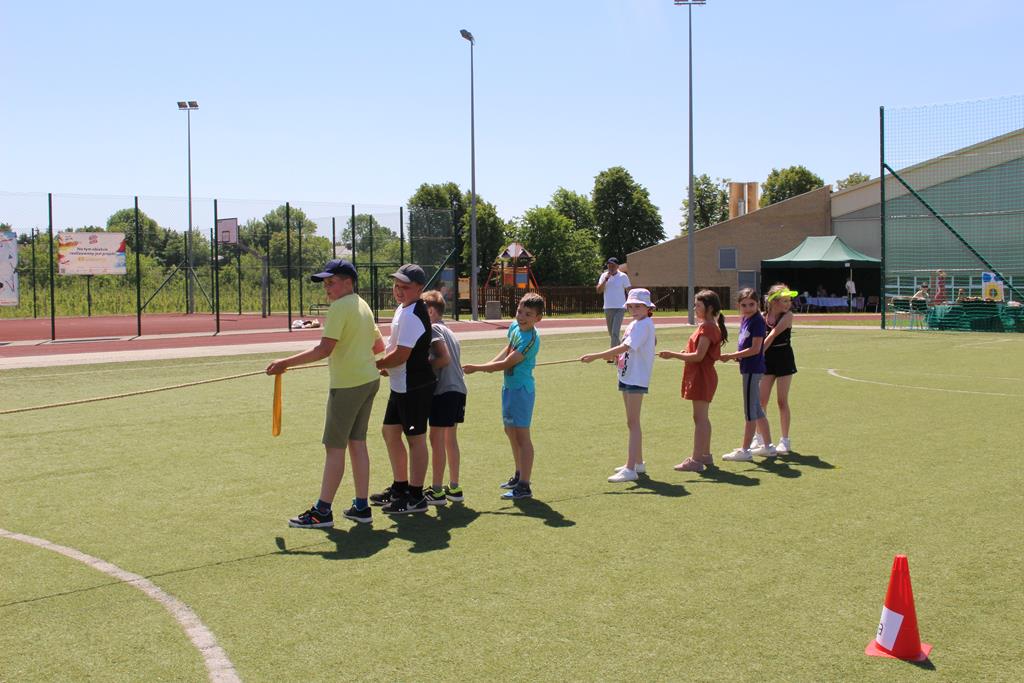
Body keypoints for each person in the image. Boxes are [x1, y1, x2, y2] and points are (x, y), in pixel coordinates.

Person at [266, 259, 385, 528]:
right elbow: (379, 347)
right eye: (325, 284)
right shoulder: (362, 305)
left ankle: (322, 511)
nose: (327, 288)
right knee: (357, 443)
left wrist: (284, 363)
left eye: (331, 282)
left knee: (334, 448)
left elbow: (324, 349)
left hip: (348, 386)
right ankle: (361, 507)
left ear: (348, 282)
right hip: (368, 380)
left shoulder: (340, 307)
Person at [463, 292, 544, 500]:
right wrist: (490, 364)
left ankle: (524, 485)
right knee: (510, 431)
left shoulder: (531, 339)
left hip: (521, 391)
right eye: (520, 311)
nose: (521, 317)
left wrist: (480, 368)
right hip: (508, 388)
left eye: (528, 314)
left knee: (522, 437)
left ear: (538, 318)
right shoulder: (515, 327)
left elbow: (509, 362)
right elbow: (508, 349)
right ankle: (519, 474)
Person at [370, 264, 436, 515]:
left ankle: (416, 497)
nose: (398, 290)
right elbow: (396, 349)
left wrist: (376, 365)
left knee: (415, 440)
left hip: (414, 387)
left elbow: (401, 354)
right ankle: (400, 488)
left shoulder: (412, 314)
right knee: (389, 432)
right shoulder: (403, 309)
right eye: (396, 285)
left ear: (419, 288)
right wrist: (387, 366)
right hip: (401, 385)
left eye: (405, 287)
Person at [580, 288, 658, 483]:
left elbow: (626, 346)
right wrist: (617, 356)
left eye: (638, 306)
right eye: (631, 306)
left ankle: (630, 469)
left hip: (636, 377)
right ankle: (637, 463)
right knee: (631, 422)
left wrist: (597, 356)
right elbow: (627, 348)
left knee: (633, 422)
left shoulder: (644, 325)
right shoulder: (635, 324)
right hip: (627, 375)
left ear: (648, 308)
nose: (634, 310)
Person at [658, 289, 727, 473]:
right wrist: (684, 353)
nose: (695, 308)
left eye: (698, 305)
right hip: (701, 375)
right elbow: (697, 352)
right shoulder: (707, 326)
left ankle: (696, 460)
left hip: (702, 376)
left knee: (700, 419)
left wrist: (673, 355)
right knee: (701, 418)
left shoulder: (708, 327)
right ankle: (705, 455)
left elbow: (698, 356)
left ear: (709, 308)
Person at [420, 290, 468, 506]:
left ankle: (437, 490)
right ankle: (454, 487)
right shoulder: (450, 331)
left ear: (431, 311)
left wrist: (420, 367)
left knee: (436, 439)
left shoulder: (433, 329)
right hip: (459, 389)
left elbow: (443, 359)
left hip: (444, 391)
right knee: (450, 439)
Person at [719, 288, 775, 462]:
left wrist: (732, 356)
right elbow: (745, 343)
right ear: (738, 306)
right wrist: (738, 356)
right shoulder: (746, 319)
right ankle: (768, 446)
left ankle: (745, 450)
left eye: (751, 304)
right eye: (744, 305)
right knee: (757, 409)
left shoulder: (757, 321)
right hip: (748, 367)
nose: (748, 308)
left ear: (757, 304)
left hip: (753, 369)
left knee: (750, 412)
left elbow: (756, 348)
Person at [752, 284, 798, 456]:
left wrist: (756, 355)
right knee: (761, 402)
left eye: (789, 301)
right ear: (773, 302)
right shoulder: (761, 317)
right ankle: (759, 438)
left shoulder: (788, 316)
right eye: (784, 301)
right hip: (767, 360)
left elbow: (772, 335)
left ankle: (785, 441)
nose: (788, 304)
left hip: (784, 359)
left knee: (781, 401)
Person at [596, 257, 631, 357]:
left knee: (615, 332)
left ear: (617, 266)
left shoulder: (623, 276)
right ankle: (621, 352)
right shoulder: (604, 276)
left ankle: (612, 356)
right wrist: (605, 280)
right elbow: (599, 290)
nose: (611, 267)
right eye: (609, 265)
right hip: (608, 307)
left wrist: (630, 303)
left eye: (613, 265)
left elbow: (628, 290)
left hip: (620, 307)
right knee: (612, 333)